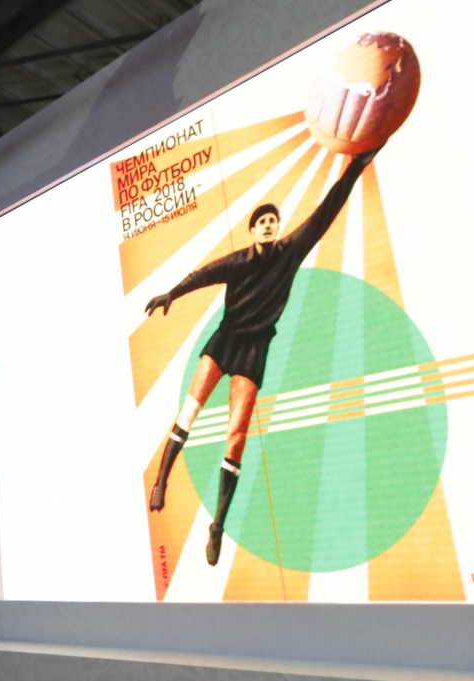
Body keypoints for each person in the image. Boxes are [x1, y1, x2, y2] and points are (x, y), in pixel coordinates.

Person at [144, 147, 381, 566]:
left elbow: (326, 211)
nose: (269, 225)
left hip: (255, 350)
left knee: (236, 436)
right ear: (252, 230)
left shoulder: (290, 251)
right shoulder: (238, 261)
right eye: (262, 221)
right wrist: (172, 294)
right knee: (189, 412)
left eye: (273, 220)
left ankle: (217, 526)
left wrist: (356, 166)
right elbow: (203, 274)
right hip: (225, 340)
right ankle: (161, 479)